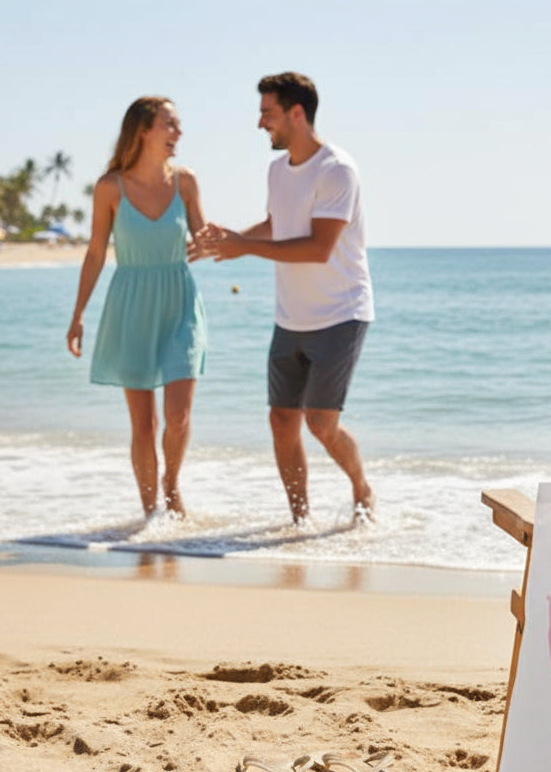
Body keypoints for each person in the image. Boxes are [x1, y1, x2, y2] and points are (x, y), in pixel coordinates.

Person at [190, 72, 374, 523]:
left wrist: (245, 246)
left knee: (320, 422)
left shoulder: (337, 170)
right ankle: (299, 519)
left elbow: (317, 247)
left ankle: (362, 490)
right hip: (290, 317)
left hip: (340, 314)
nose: (260, 125)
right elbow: (279, 225)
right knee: (281, 420)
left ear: (297, 113)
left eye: (267, 114)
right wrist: (231, 241)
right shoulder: (276, 170)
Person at [67, 96, 207, 519]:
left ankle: (171, 486)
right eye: (170, 124)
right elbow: (94, 254)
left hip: (180, 303)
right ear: (143, 130)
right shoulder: (111, 187)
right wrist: (77, 315)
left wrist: (241, 239)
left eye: (178, 125)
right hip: (131, 305)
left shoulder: (186, 182)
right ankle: (151, 514)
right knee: (144, 424)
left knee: (178, 417)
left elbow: (202, 237)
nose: (178, 133)